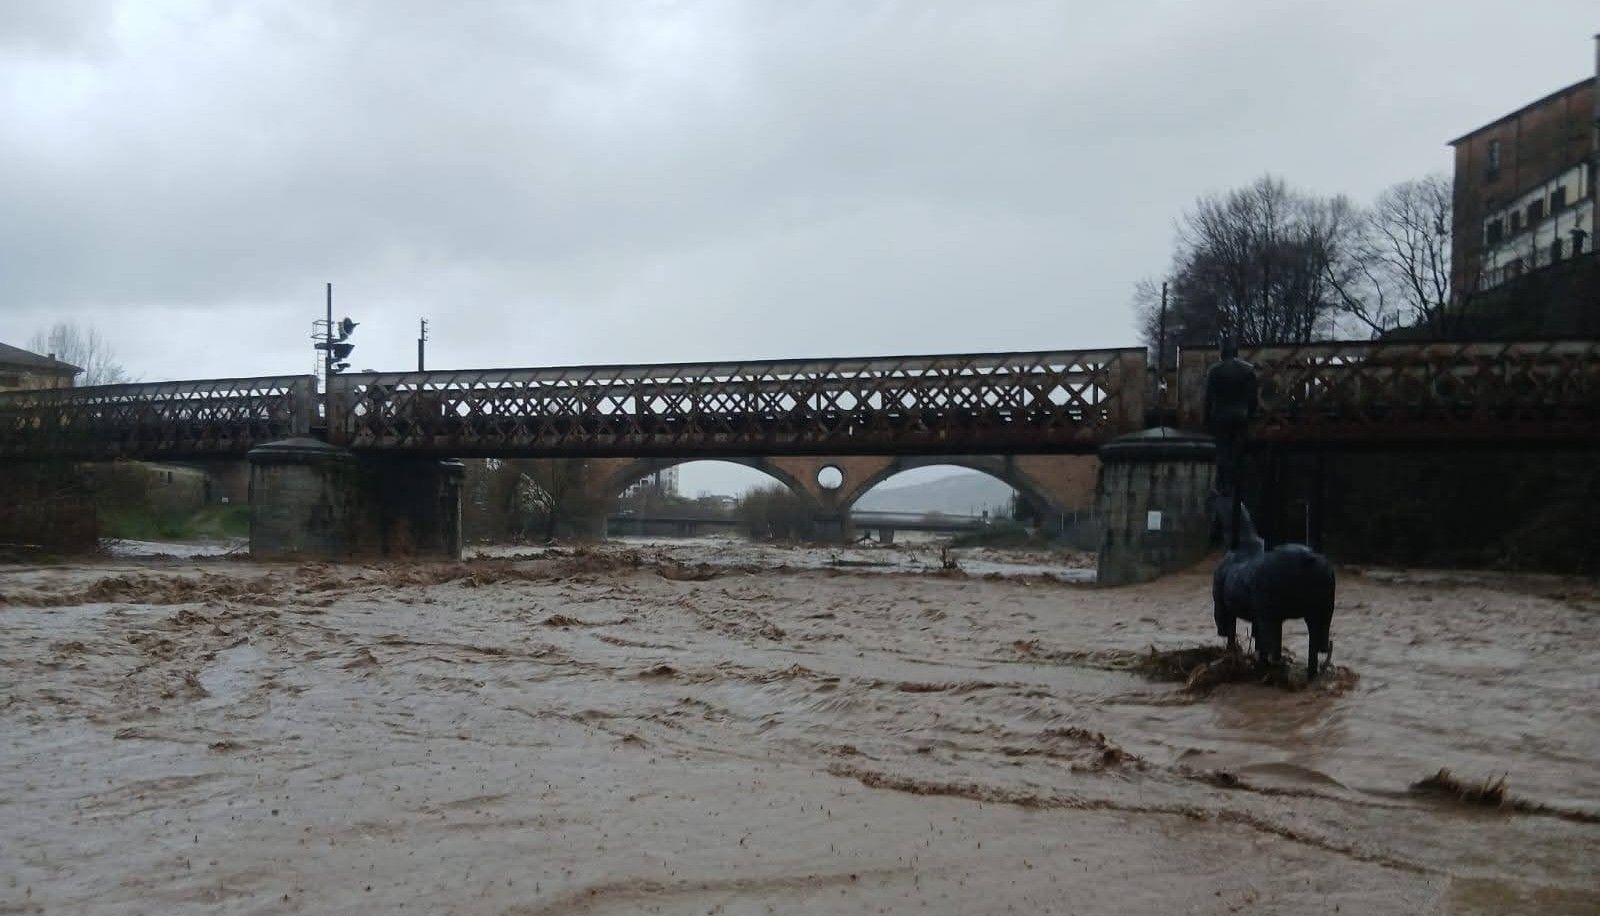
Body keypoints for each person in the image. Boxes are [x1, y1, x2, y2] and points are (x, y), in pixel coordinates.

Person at [1203, 336, 1257, 497]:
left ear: (1221, 351)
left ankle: (1222, 485)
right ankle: (1238, 486)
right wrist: (1251, 415)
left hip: (1220, 415)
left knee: (1223, 451)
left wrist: (1206, 418)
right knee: (1237, 451)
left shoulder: (1214, 370)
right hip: (1241, 415)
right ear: (1236, 351)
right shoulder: (1248, 369)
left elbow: (1208, 397)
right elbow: (1253, 398)